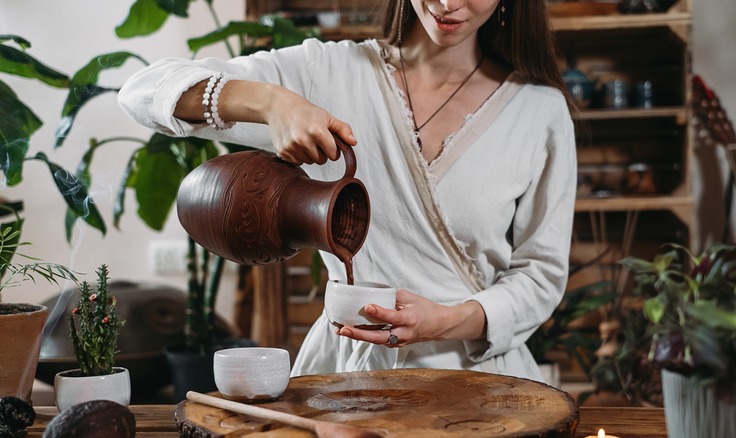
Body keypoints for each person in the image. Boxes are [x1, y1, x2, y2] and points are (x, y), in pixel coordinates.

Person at [118, 0, 576, 382]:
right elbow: (142, 92)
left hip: (479, 377)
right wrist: (273, 102)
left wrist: (448, 320)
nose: (447, 3)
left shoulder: (538, 111)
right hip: (345, 374)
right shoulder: (328, 72)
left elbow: (542, 274)